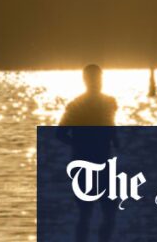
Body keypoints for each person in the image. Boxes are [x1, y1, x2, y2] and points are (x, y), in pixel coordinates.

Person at [56, 65, 120, 242]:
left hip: (100, 162)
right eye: (95, 79)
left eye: (99, 78)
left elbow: (110, 126)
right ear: (86, 80)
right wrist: (81, 143)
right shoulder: (77, 105)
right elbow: (60, 133)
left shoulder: (108, 103)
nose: (98, 82)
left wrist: (114, 140)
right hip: (86, 163)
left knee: (103, 211)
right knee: (89, 212)